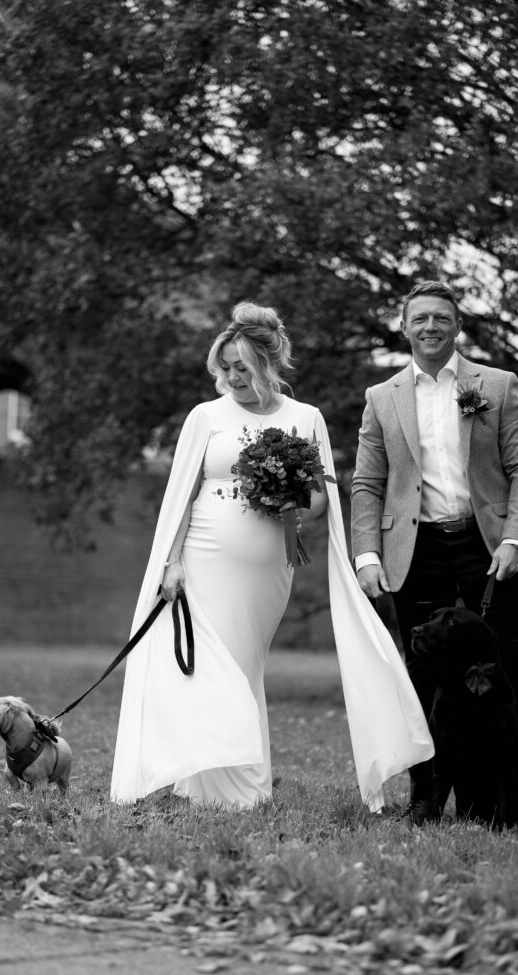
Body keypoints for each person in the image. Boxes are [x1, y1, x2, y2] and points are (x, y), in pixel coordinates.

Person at [111, 301, 433, 810]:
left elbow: (327, 492)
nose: (232, 377)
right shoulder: (206, 417)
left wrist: (295, 496)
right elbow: (181, 495)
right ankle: (217, 785)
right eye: (225, 367)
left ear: (268, 362)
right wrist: (171, 562)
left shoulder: (306, 417)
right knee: (209, 668)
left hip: (268, 570)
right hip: (204, 559)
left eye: (243, 367)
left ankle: (235, 784)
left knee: (244, 665)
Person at [351, 280, 518, 826]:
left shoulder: (498, 384)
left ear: (458, 325)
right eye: (420, 318)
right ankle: (426, 794)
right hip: (413, 550)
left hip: (486, 545)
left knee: (517, 667)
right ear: (404, 326)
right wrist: (366, 554)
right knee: (422, 675)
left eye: (442, 317)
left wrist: (516, 537)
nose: (431, 327)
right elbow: (367, 483)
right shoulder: (382, 397)